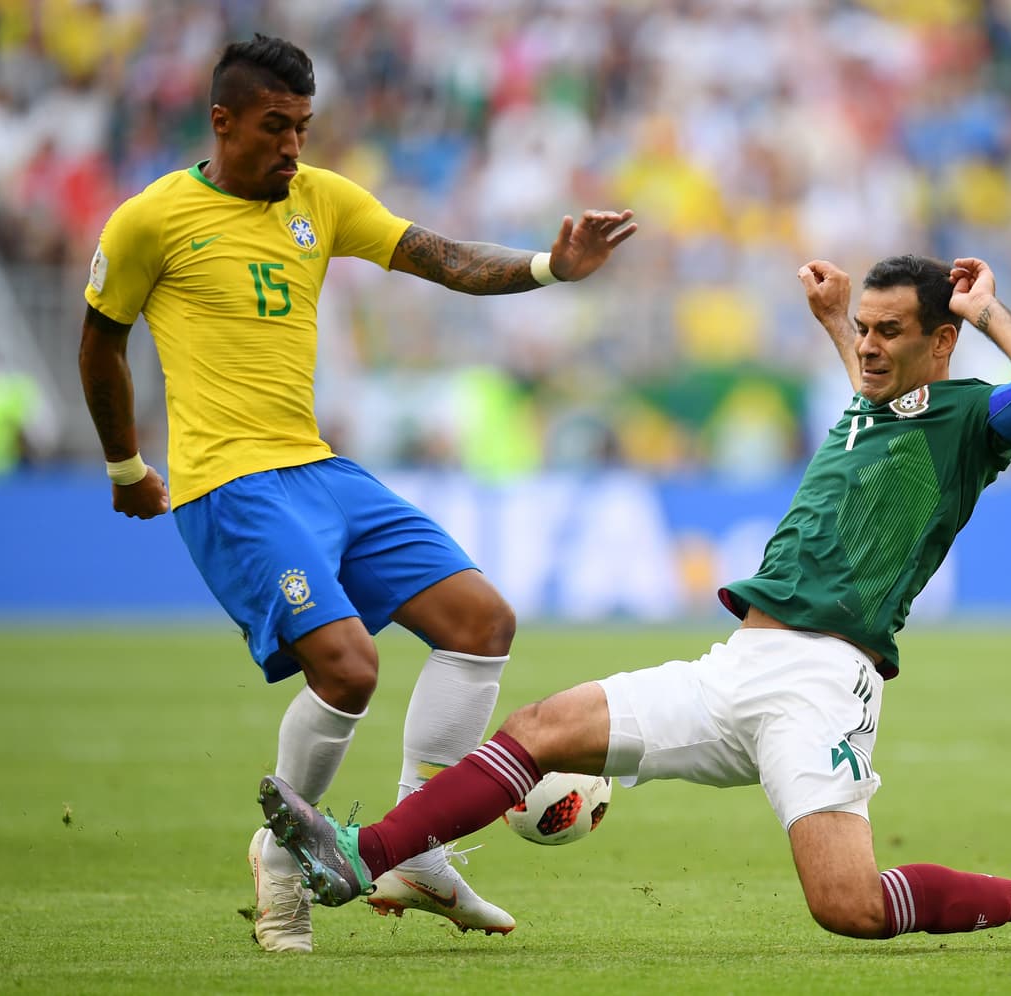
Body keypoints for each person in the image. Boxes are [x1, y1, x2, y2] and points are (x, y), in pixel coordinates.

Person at [259, 251, 1011, 951]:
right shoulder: (873, 400)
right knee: (540, 726)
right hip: (735, 668)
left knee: (850, 907)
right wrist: (837, 319)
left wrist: (986, 307)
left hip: (822, 682)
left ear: (941, 341)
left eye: (891, 332)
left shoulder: (966, 420)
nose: (871, 347)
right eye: (866, 331)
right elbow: (876, 382)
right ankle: (360, 854)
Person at [77, 34, 636, 954]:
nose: (293, 145)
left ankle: (419, 846)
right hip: (231, 484)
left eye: (302, 126)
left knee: (481, 623)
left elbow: (442, 258)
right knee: (349, 668)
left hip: (319, 471)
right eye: (274, 126)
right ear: (221, 121)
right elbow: (100, 343)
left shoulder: (321, 200)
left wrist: (549, 267)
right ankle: (283, 858)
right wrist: (125, 467)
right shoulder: (150, 221)